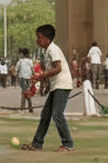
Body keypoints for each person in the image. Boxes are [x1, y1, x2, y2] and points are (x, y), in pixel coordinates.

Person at [21, 24, 74, 152]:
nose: (37, 40)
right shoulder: (47, 51)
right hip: (56, 85)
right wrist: (37, 79)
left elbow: (58, 68)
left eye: (39, 37)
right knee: (46, 114)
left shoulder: (53, 49)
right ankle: (37, 144)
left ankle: (68, 144)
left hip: (63, 85)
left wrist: (41, 75)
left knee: (57, 114)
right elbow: (49, 72)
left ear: (46, 39)